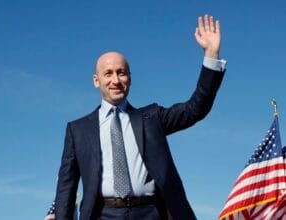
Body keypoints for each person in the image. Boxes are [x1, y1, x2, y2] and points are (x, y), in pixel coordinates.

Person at [55, 14, 226, 220]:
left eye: (122, 72)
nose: (116, 80)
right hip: (102, 215)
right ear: (96, 80)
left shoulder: (152, 118)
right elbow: (67, 185)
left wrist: (211, 55)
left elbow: (195, 109)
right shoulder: (77, 130)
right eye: (108, 73)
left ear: (130, 78)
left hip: (151, 213)